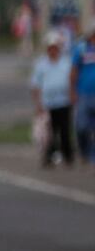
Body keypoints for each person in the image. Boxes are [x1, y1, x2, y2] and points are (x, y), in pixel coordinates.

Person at [31, 30, 75, 167]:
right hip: (48, 104)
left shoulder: (66, 62)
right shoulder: (41, 64)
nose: (53, 50)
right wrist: (38, 104)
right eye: (50, 48)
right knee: (49, 133)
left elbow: (72, 80)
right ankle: (49, 156)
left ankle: (68, 156)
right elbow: (35, 85)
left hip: (64, 102)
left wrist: (73, 94)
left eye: (55, 47)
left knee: (65, 130)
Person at [72, 27, 95, 165]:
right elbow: (74, 71)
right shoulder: (81, 49)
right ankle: (84, 152)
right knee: (81, 127)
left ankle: (92, 156)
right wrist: (72, 91)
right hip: (84, 94)